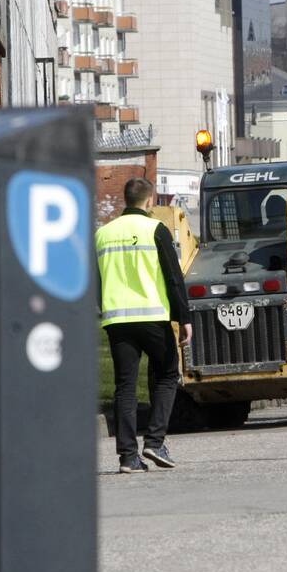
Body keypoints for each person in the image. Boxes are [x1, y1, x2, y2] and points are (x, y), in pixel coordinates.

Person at [96, 178, 192, 473]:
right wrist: (184, 318)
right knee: (166, 374)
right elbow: (173, 277)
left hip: (117, 320)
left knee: (124, 385)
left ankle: (127, 457)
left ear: (125, 199)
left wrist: (103, 309)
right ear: (150, 201)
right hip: (152, 316)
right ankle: (154, 441)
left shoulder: (102, 234)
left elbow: (95, 278)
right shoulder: (155, 230)